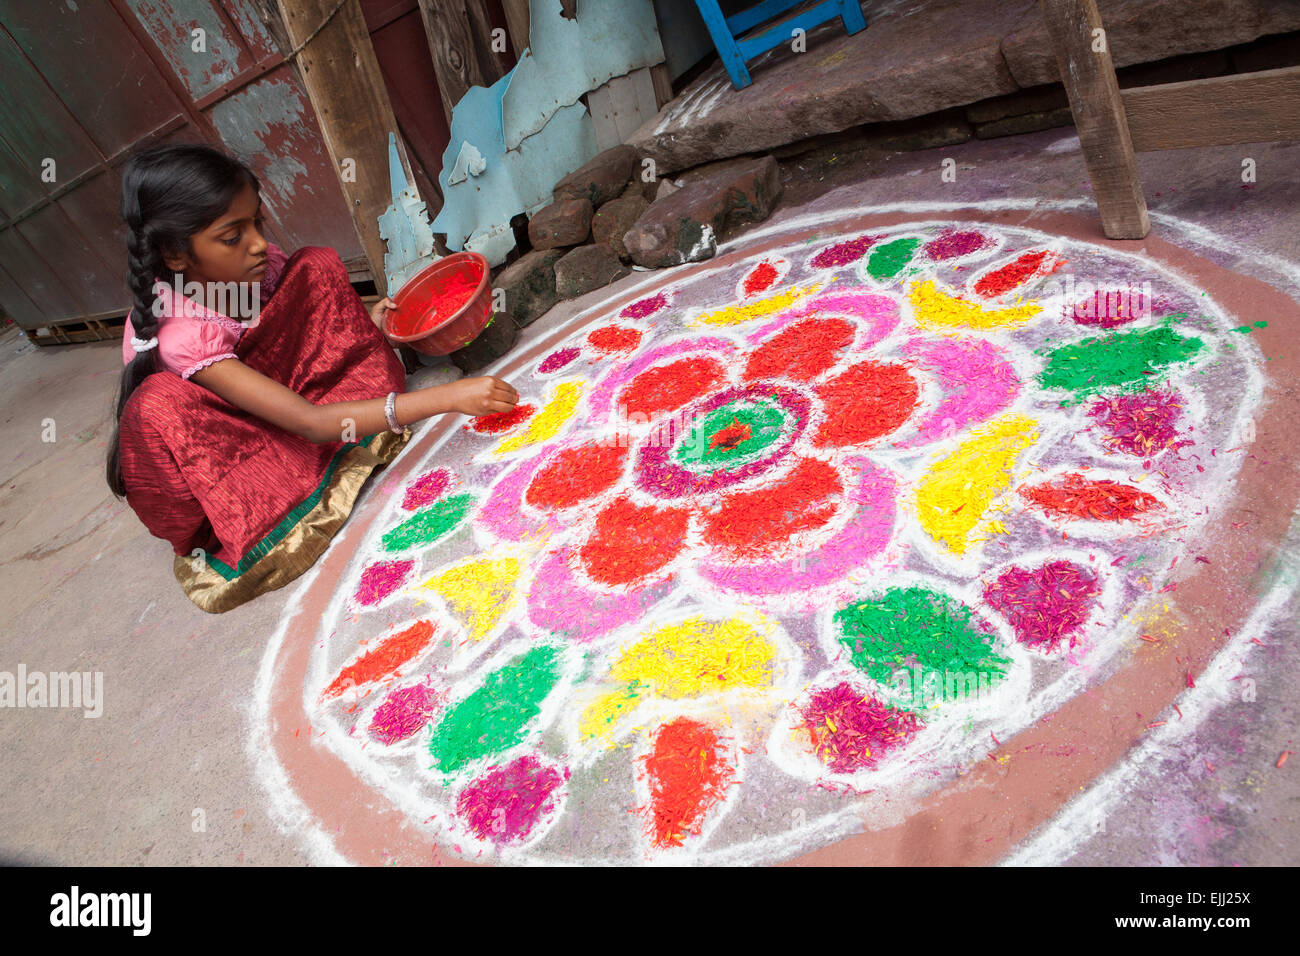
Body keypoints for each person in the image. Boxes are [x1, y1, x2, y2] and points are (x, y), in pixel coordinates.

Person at [105, 143, 518, 613]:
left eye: (256, 223)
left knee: (313, 267)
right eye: (232, 236)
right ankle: (286, 482)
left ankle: (340, 418)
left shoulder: (247, 267)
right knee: (168, 406)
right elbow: (309, 424)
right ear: (176, 256)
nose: (258, 243)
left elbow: (290, 319)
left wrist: (366, 320)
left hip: (258, 393)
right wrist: (449, 397)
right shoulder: (182, 335)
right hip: (222, 453)